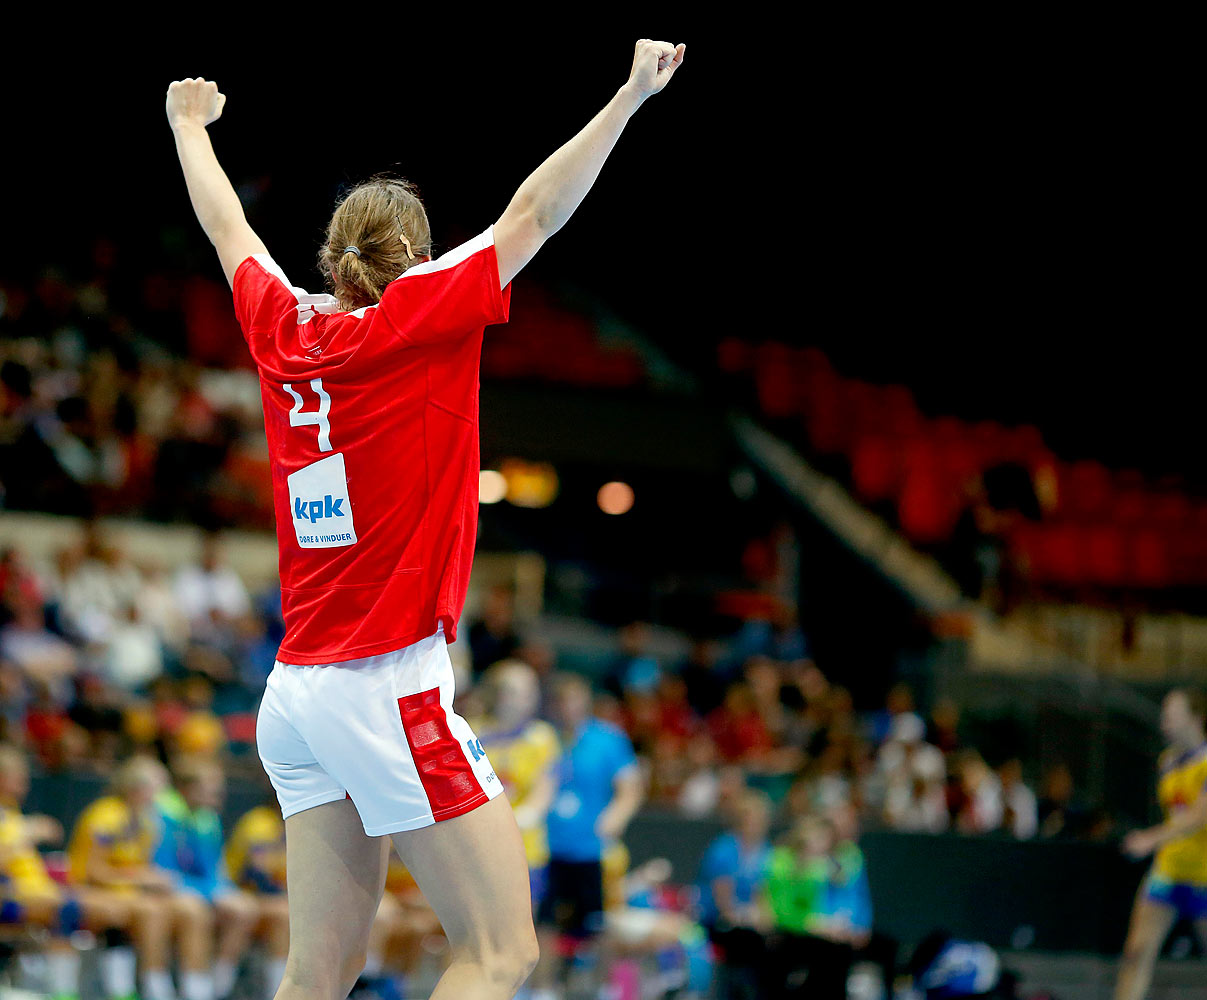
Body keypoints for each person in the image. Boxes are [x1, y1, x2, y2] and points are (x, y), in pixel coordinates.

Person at [165, 36, 685, 1000]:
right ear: (414, 257)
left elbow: (230, 230)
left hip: (296, 694)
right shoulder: (418, 315)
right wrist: (627, 98)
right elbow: (535, 212)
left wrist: (188, 128)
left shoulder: (283, 327)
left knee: (318, 970)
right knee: (500, 953)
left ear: (333, 255)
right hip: (382, 680)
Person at [0, 744, 146, 1000]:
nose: (24, 785)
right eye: (17, 779)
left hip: (40, 890)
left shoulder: (11, 813)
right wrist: (28, 833)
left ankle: (121, 991)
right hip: (10, 894)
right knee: (67, 907)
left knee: (118, 912)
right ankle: (63, 992)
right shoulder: (106, 815)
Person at [532, 673, 645, 999]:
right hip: (550, 849)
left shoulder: (607, 739)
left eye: (575, 702)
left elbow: (631, 788)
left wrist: (614, 818)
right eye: (562, 703)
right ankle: (542, 991)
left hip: (592, 851)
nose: (568, 709)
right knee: (547, 923)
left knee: (601, 924)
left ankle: (604, 988)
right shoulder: (546, 739)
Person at [67, 755, 205, 1000]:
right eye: (158, 789)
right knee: (151, 911)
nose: (162, 797)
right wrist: (139, 880)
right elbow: (92, 872)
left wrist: (156, 878)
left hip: (128, 890)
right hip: (92, 889)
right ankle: (155, 987)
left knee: (192, 908)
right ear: (136, 788)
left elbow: (138, 866)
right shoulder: (105, 817)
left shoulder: (147, 822)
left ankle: (196, 989)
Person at [1114, 688, 1207, 1000]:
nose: (1164, 720)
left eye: (1172, 713)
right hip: (1168, 870)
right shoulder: (1166, 762)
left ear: (1195, 718)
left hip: (1205, 876)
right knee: (1136, 952)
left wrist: (1149, 839)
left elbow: (1197, 817)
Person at [471, 660, 560, 911]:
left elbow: (546, 785)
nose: (526, 698)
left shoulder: (542, 737)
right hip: (480, 844)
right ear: (497, 694)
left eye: (531, 690)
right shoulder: (472, 731)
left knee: (523, 920)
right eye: (515, 691)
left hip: (525, 846)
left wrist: (527, 815)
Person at [696, 789, 773, 1000]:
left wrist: (761, 916)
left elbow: (763, 895)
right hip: (715, 921)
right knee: (746, 941)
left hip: (748, 925)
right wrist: (746, 917)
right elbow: (724, 905)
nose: (756, 823)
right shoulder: (724, 849)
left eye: (760, 819)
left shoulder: (766, 852)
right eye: (751, 818)